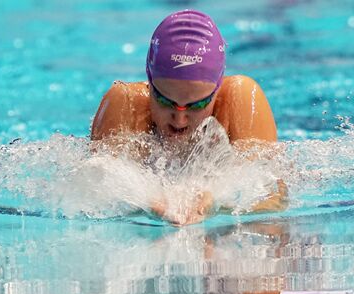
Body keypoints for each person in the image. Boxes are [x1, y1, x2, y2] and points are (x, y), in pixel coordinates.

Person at [91, 9, 286, 225]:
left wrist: (217, 200)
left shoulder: (238, 98)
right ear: (150, 81)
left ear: (217, 88)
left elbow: (274, 194)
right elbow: (93, 190)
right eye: (165, 101)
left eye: (198, 104)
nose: (179, 120)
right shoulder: (126, 104)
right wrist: (145, 201)